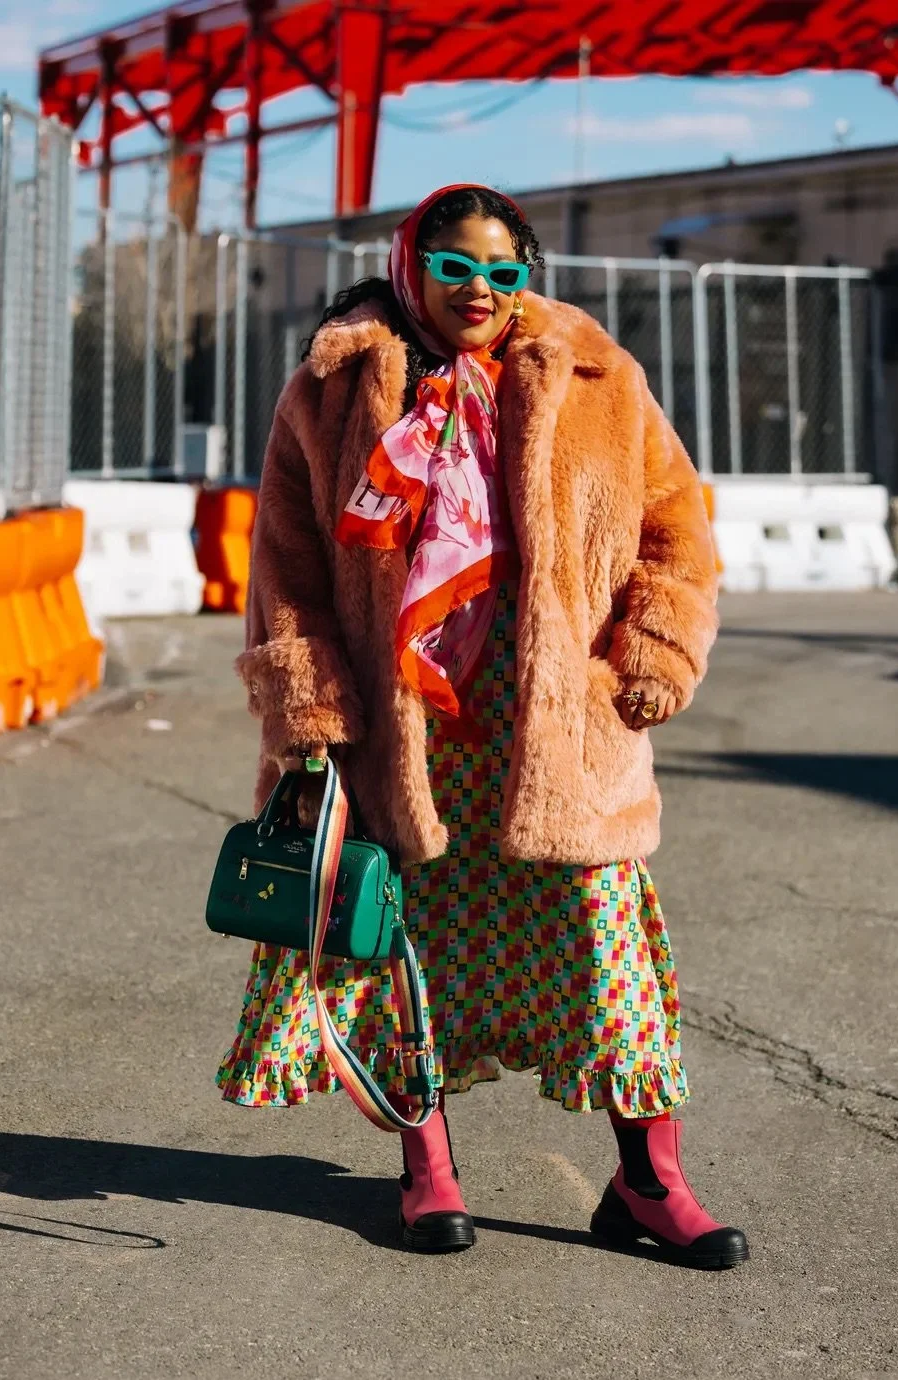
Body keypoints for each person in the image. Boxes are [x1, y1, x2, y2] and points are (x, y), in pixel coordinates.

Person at [217, 183, 748, 1270]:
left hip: (556, 728)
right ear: (412, 263)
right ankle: (428, 1173)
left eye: (504, 272)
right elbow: (286, 567)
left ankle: (648, 1184)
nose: (480, 292)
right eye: (456, 266)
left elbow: (673, 525)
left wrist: (651, 649)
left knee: (604, 953)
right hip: (403, 724)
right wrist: (311, 707)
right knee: (407, 949)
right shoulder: (331, 389)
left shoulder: (597, 375)